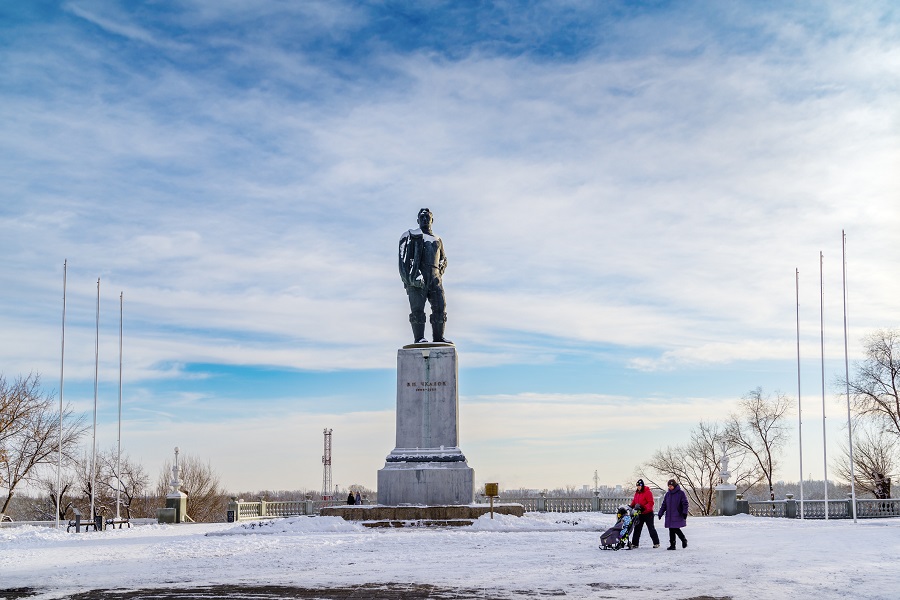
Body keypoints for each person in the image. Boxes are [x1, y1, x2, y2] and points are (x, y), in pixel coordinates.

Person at [399, 208, 451, 344]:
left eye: (427, 217)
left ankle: (438, 337)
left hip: (435, 278)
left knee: (440, 306)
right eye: (422, 217)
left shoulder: (437, 239)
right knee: (417, 309)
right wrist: (410, 278)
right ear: (417, 220)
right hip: (418, 276)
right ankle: (419, 338)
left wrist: (440, 269)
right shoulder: (410, 235)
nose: (424, 219)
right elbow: (402, 259)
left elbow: (443, 258)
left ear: (432, 220)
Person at [657, 478, 689, 550]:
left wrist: (685, 512)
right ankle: (672, 545)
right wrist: (660, 513)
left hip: (677, 514)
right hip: (669, 515)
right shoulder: (668, 494)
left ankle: (683, 540)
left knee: (675, 528)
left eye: (671, 486)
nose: (670, 487)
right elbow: (664, 505)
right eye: (669, 486)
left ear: (674, 486)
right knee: (671, 529)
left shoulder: (680, 493)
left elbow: (685, 503)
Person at [629, 479, 660, 548]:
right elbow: (634, 501)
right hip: (640, 513)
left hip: (648, 513)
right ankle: (635, 543)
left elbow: (651, 502)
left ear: (642, 485)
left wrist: (644, 508)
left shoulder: (648, 492)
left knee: (651, 528)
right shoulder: (637, 493)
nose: (638, 487)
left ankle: (656, 543)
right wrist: (631, 506)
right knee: (637, 528)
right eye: (637, 486)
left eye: (639, 485)